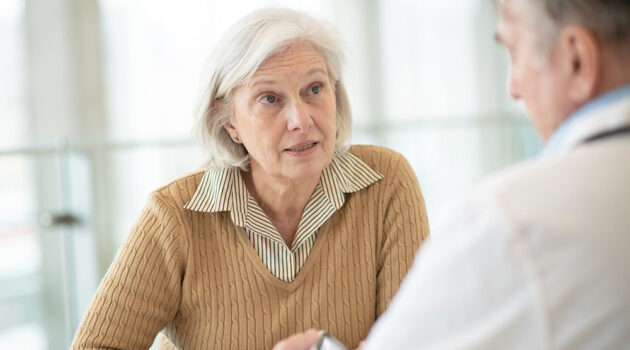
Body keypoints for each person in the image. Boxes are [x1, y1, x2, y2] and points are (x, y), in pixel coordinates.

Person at [274, 0, 630, 349]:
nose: (513, 88)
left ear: (577, 60)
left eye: (513, 51)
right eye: (270, 99)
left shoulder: (513, 220)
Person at [70, 8, 429, 350]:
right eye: (270, 99)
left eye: (315, 89)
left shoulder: (386, 181)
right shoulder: (174, 215)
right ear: (229, 121)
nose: (300, 120)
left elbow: (420, 339)